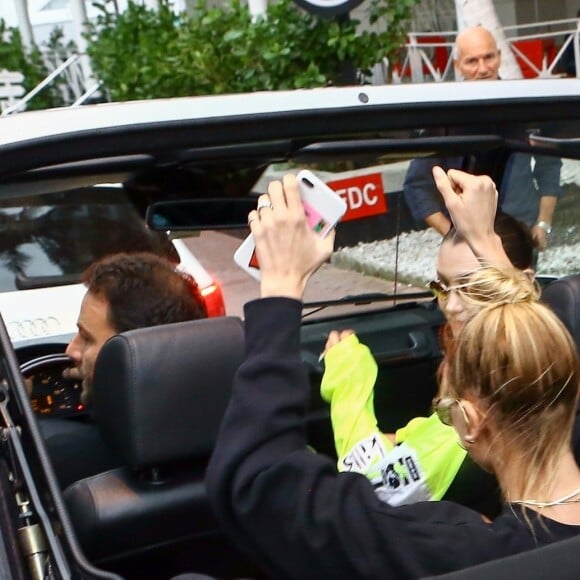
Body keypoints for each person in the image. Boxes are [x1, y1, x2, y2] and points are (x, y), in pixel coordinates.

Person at [206, 171, 580, 579]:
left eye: (444, 411)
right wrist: (487, 247)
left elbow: (264, 487)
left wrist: (280, 285)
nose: (452, 307)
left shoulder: (464, 548)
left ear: (469, 422)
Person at [319, 209, 535, 512]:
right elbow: (429, 439)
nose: (452, 306)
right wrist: (397, 440)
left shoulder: (490, 402)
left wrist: (348, 377)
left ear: (522, 284)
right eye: (442, 287)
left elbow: (372, 485)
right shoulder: (510, 370)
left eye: (473, 286)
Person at [40, 251, 208, 489]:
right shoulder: (242, 444)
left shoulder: (58, 461)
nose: (71, 350)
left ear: (133, 353)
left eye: (87, 338)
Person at [403, 25, 562, 251]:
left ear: (499, 56)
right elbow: (416, 185)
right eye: (472, 61)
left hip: (520, 235)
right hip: (469, 245)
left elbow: (550, 165)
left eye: (489, 57)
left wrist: (543, 223)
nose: (483, 68)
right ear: (458, 66)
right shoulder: (443, 118)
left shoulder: (524, 107)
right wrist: (454, 237)